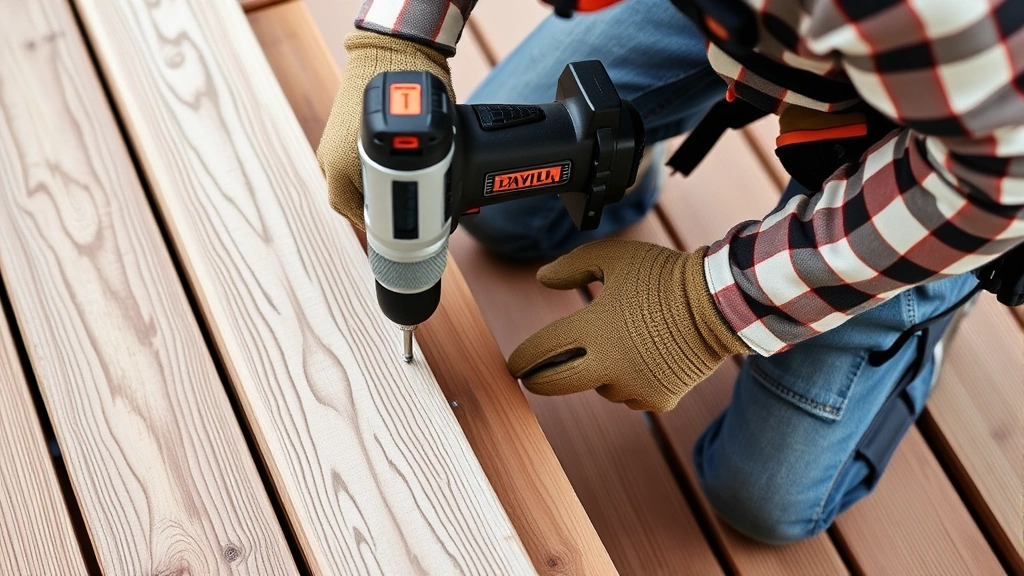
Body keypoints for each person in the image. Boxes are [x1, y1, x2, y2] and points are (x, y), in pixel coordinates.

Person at [317, 0, 1024, 544]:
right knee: (501, 212)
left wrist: (704, 309)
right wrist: (400, 37)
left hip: (956, 155)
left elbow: (997, 181)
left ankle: (937, 294)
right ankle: (622, 162)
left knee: (762, 498)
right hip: (754, 26)